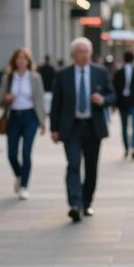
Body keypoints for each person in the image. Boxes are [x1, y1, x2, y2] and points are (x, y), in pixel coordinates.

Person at [49, 38, 116, 222]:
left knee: (91, 167)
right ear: (73, 55)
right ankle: (75, 204)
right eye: (80, 51)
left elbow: (112, 95)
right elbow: (56, 104)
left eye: (87, 51)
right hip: (72, 128)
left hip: (93, 128)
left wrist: (103, 100)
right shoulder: (63, 75)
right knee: (73, 165)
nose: (84, 54)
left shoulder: (100, 72)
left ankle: (87, 202)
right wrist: (54, 128)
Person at [0, 47, 46, 200]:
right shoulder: (8, 77)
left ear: (28, 61)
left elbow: (39, 99)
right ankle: (19, 175)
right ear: (14, 60)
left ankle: (24, 186)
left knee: (26, 152)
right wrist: (7, 99)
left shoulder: (35, 77)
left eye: (24, 58)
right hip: (14, 117)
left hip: (30, 116)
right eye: (18, 58)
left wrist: (42, 121)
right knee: (11, 154)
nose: (21, 61)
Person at [112, 51, 134, 160]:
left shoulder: (132, 72)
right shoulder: (133, 72)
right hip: (126, 103)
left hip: (132, 102)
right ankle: (130, 147)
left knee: (130, 127)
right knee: (129, 127)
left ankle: (130, 147)